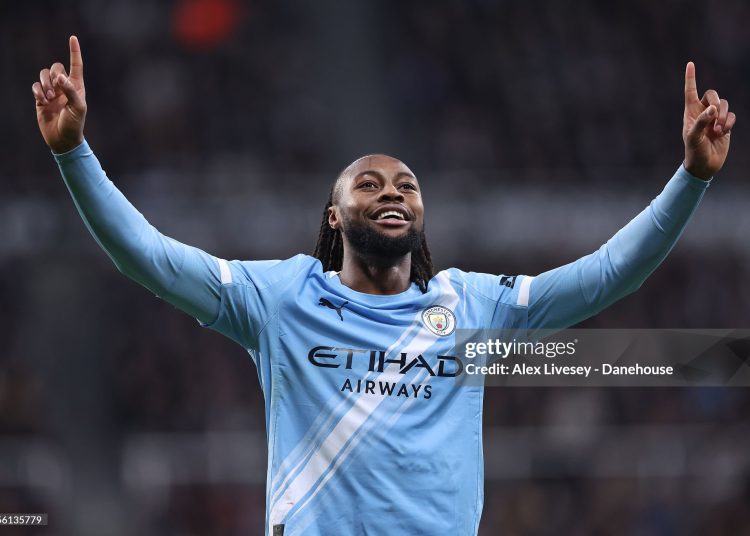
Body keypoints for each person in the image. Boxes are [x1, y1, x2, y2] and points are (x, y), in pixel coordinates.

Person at [32, 36, 735, 536]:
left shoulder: (471, 306)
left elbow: (610, 273)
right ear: (334, 217)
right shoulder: (279, 299)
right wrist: (74, 153)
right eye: (368, 184)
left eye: (407, 185)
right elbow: (146, 256)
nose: (392, 192)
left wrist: (692, 177)